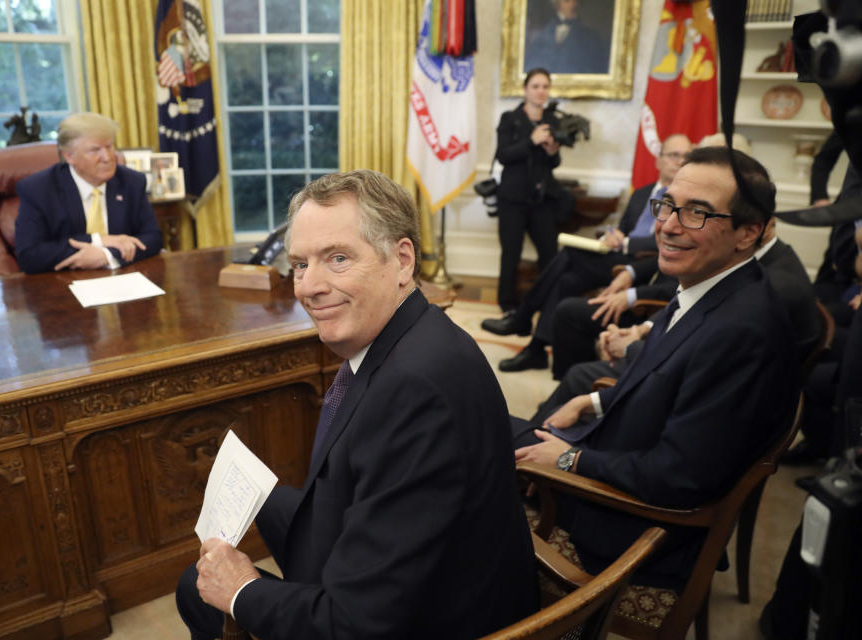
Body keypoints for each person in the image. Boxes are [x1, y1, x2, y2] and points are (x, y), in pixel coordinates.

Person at [175, 170, 538, 640]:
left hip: (430, 620)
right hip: (411, 564)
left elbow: (354, 625)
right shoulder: (418, 334)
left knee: (196, 587)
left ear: (402, 260)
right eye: (300, 264)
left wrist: (240, 589)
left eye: (338, 258)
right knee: (261, 498)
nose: (308, 286)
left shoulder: (413, 390)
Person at [513, 147, 801, 588]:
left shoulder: (743, 332)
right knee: (468, 428)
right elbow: (664, 378)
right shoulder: (710, 287)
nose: (667, 225)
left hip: (629, 524)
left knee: (465, 467)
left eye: (697, 213)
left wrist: (569, 459)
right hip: (612, 462)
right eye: (667, 205)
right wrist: (592, 400)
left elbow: (679, 477)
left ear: (748, 233)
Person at [482, 133, 692, 372]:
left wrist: (625, 245)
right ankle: (537, 348)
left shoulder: (684, 203)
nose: (679, 161)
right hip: (615, 257)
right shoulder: (642, 193)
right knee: (566, 280)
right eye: (674, 155)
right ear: (659, 160)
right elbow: (622, 230)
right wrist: (611, 236)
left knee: (570, 254)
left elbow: (667, 239)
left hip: (643, 266)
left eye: (685, 156)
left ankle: (523, 317)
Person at [547, 215, 820, 379]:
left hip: (704, 388)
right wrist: (640, 331)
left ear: (756, 229)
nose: (671, 227)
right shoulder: (742, 262)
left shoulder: (773, 285)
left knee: (580, 378)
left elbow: (702, 357)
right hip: (682, 354)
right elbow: (688, 302)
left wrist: (632, 344)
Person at [14, 112, 163, 274]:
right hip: (63, 284)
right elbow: (29, 255)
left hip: (122, 279)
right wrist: (97, 240)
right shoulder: (39, 189)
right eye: (94, 150)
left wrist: (106, 255)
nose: (107, 157)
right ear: (69, 156)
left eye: (109, 146)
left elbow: (153, 239)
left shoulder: (131, 182)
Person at [494, 67, 575, 312]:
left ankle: (547, 303)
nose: (541, 91)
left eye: (545, 86)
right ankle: (507, 304)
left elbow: (554, 163)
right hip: (513, 199)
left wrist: (552, 152)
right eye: (536, 86)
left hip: (542, 198)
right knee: (511, 253)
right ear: (525, 90)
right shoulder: (510, 119)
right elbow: (503, 155)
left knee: (549, 253)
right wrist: (531, 141)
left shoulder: (553, 121)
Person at [525, 0, 609, 74]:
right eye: (567, 1)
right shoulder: (542, 35)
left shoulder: (590, 37)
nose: (573, 5)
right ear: (556, 5)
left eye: (575, 1)